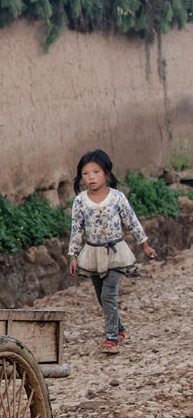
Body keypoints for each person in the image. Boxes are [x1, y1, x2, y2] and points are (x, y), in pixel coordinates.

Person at [67, 149, 157, 354]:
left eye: (96, 172)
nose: (91, 178)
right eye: (86, 173)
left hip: (116, 252)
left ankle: (112, 339)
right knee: (101, 296)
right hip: (92, 254)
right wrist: (73, 255)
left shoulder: (117, 198)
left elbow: (132, 221)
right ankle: (119, 328)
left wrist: (145, 245)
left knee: (109, 294)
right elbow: (76, 229)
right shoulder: (80, 201)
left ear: (106, 173)